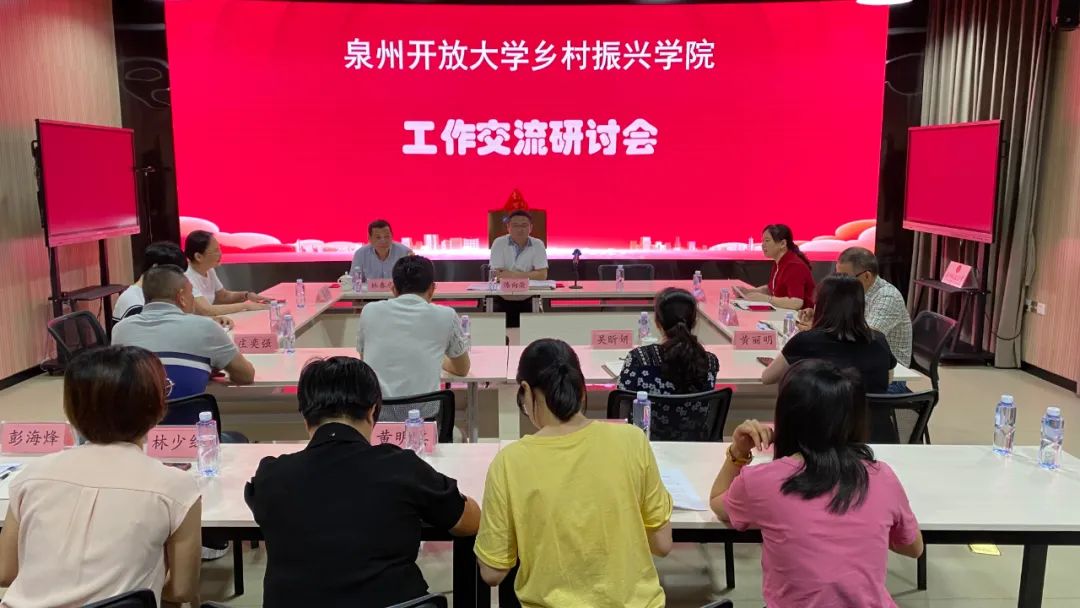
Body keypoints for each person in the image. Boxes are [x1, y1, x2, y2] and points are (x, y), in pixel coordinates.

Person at [245, 356, 480, 607]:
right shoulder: (400, 467)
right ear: (372, 411)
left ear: (305, 417)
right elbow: (469, 522)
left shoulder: (271, 476)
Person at [709, 360, 924, 608]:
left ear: (785, 416)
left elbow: (717, 502)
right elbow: (914, 547)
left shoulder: (761, 482)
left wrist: (738, 452)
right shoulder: (881, 476)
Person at [475, 339, 673, 606]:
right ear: (581, 388)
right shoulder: (633, 440)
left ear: (526, 391)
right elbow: (662, 543)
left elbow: (492, 573)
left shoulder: (509, 462)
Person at [0, 346, 202, 607]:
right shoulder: (177, 487)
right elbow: (183, 590)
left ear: (71, 409)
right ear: (156, 407)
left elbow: (6, 572)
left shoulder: (30, 476)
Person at [112, 265, 255, 398]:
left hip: (140, 415)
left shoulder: (121, 329)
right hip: (190, 415)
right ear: (181, 296)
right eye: (191, 293)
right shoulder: (207, 328)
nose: (193, 298)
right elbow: (245, 375)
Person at [356, 255, 470, 420]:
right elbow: (462, 369)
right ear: (432, 288)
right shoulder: (446, 315)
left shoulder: (369, 311)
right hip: (425, 418)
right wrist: (437, 358)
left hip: (377, 418)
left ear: (393, 288)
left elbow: (364, 360)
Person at [618, 288, 720, 439]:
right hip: (695, 447)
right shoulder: (709, 362)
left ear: (657, 322)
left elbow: (621, 405)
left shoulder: (639, 359)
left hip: (644, 445)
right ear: (694, 321)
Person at [834, 247, 912, 393]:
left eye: (846, 278)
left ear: (867, 276)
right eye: (838, 276)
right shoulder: (856, 291)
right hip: (860, 364)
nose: (840, 283)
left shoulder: (887, 297)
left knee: (828, 393)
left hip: (890, 378)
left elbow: (865, 338)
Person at [113, 241, 234, 330]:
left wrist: (209, 321)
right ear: (155, 268)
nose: (178, 280)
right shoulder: (134, 302)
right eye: (174, 274)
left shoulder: (158, 294)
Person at [183, 230, 271, 316]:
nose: (220, 254)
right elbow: (206, 310)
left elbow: (223, 296)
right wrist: (245, 306)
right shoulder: (186, 276)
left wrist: (247, 296)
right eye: (215, 251)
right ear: (198, 257)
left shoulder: (209, 269)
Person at [489, 210, 548, 327]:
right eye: (515, 225)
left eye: (524, 225)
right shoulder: (499, 243)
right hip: (501, 298)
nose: (520, 229)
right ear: (508, 227)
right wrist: (530, 274)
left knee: (531, 333)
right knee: (498, 333)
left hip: (529, 298)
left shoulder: (538, 244)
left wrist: (510, 275)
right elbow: (497, 275)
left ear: (530, 228)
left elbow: (542, 275)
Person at [736, 224, 816, 310]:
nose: (763, 245)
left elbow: (796, 303)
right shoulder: (779, 262)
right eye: (762, 241)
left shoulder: (795, 266)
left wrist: (767, 299)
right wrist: (748, 292)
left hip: (798, 315)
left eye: (767, 241)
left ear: (783, 244)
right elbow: (771, 289)